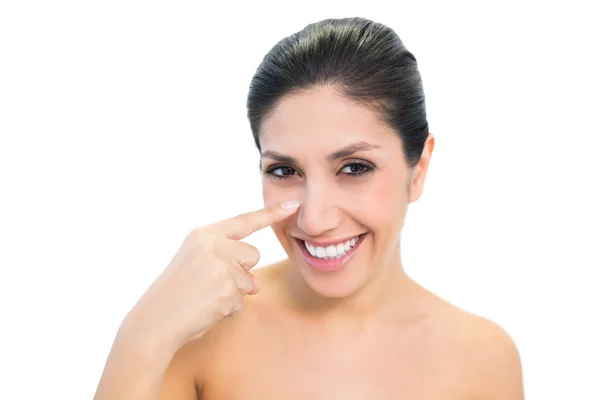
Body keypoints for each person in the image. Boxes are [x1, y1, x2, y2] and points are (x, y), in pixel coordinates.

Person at [94, 17, 524, 399]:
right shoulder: (202, 334)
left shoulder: (483, 359)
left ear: (420, 168)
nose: (313, 219)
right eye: (284, 171)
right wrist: (142, 336)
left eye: (355, 167)